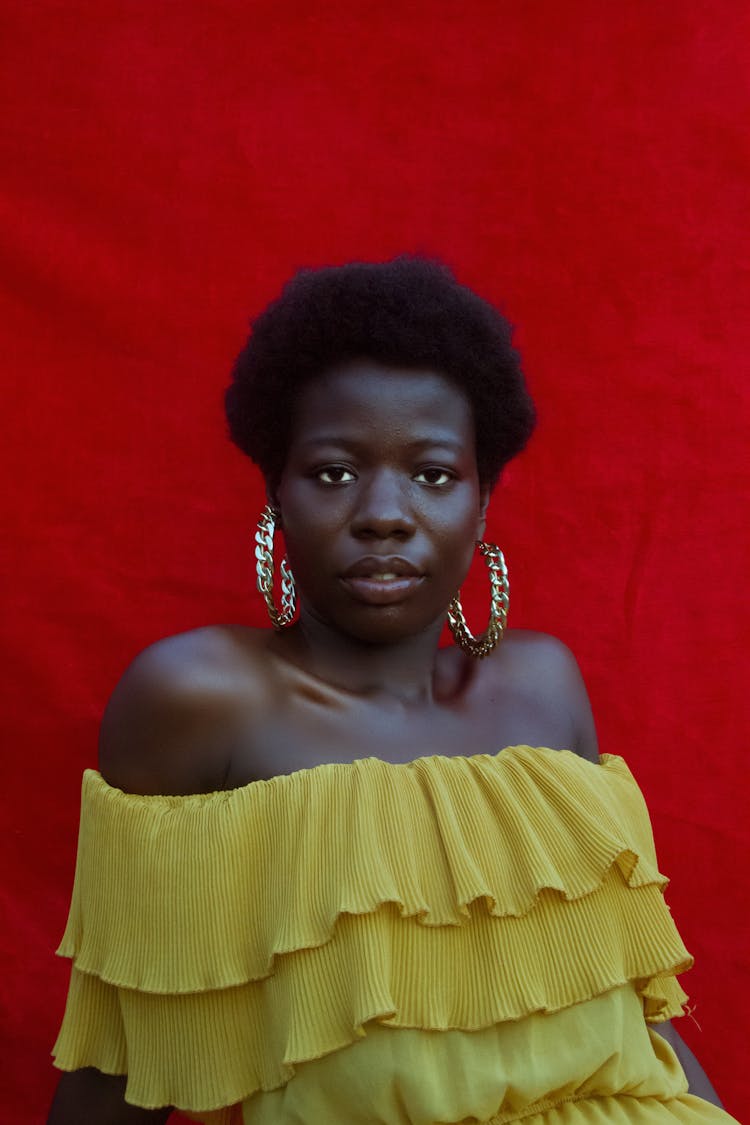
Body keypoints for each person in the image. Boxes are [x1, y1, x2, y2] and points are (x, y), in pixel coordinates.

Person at [48, 257, 736, 1124]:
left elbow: (636, 1009)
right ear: (277, 495)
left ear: (483, 504)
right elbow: (117, 1061)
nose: (384, 511)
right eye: (335, 471)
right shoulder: (199, 699)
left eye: (434, 474)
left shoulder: (543, 686)